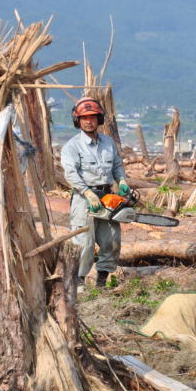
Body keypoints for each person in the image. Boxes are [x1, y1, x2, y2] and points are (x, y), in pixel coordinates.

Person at [60, 97, 129, 288]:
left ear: (99, 119)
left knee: (111, 240)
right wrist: (88, 193)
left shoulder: (108, 142)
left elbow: (117, 165)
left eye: (92, 117)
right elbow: (71, 174)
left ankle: (101, 282)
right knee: (84, 243)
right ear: (78, 120)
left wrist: (122, 180)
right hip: (84, 199)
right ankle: (78, 284)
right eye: (84, 118)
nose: (88, 121)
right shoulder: (72, 146)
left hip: (107, 196)